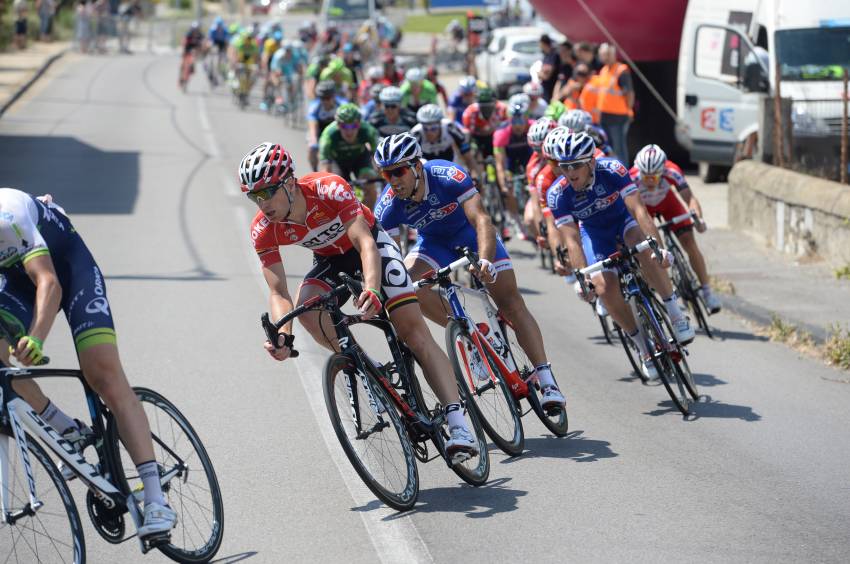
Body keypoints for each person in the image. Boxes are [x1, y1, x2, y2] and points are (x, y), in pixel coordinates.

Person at [240, 143, 479, 459]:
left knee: (413, 333)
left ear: (288, 182)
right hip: (331, 260)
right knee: (307, 309)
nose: (263, 203)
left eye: (267, 192)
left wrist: (372, 289)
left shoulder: (328, 188)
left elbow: (365, 242)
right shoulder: (263, 228)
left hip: (372, 249)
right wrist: (282, 334)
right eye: (254, 196)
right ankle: (367, 367)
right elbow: (279, 293)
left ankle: (458, 423)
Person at [0, 188, 177, 540]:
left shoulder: (8, 216)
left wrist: (36, 337)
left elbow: (49, 282)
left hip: (66, 266)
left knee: (103, 375)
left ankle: (155, 498)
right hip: (16, 280)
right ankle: (68, 429)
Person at [371, 134, 566, 411]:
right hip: (434, 245)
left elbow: (482, 219)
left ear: (416, 166)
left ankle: (546, 379)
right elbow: (389, 256)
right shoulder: (389, 203)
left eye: (399, 171)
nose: (393, 180)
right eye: (385, 173)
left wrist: (484, 261)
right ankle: (471, 336)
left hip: (472, 235)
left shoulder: (447, 174)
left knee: (510, 303)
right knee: (409, 288)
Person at [547, 132, 695, 380]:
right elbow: (571, 239)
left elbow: (639, 211)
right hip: (594, 234)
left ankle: (674, 311)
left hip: (623, 221)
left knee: (645, 248)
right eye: (564, 166)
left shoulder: (612, 169)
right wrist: (583, 278)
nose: (569, 172)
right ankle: (643, 347)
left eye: (576, 165)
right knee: (604, 286)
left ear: (591, 162)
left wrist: (659, 248)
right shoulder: (558, 194)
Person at [630, 144, 721, 314]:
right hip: (644, 210)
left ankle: (707, 291)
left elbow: (689, 198)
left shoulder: (672, 171)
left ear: (662, 172)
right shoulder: (630, 177)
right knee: (652, 252)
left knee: (690, 243)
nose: (649, 181)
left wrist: (698, 219)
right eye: (646, 177)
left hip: (668, 204)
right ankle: (661, 290)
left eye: (654, 177)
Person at [318, 103, 382, 209]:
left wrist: (380, 174)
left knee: (370, 185)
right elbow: (325, 168)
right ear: (338, 125)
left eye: (354, 125)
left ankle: (368, 218)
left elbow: (379, 157)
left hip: (360, 160)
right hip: (338, 162)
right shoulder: (329, 135)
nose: (349, 131)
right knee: (335, 189)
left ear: (360, 124)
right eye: (344, 126)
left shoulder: (368, 131)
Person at [493, 94, 534, 239]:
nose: (518, 124)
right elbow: (500, 163)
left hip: (528, 155)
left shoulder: (533, 127)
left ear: (527, 117)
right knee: (508, 189)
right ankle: (517, 220)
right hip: (510, 159)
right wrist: (504, 184)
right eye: (514, 119)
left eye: (521, 119)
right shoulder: (501, 133)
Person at [410, 104, 477, 176]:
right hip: (427, 163)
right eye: (425, 128)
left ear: (440, 123)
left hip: (450, 160)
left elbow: (468, 155)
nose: (429, 132)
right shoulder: (416, 134)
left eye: (433, 127)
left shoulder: (450, 127)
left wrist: (475, 176)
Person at [596, 43, 634, 163]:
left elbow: (629, 93)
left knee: (619, 148)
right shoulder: (603, 70)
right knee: (608, 147)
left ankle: (624, 175)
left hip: (618, 117)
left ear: (613, 55)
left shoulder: (621, 70)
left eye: (607, 54)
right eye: (602, 55)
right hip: (604, 116)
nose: (605, 57)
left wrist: (629, 110)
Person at [307, 80, 348, 172]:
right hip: (320, 129)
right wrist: (314, 140)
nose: (325, 101)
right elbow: (312, 125)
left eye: (328, 98)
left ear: (334, 96)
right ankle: (315, 170)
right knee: (312, 148)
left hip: (338, 129)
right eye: (322, 98)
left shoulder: (342, 105)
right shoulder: (315, 106)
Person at [537, 34, 561, 102]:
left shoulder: (554, 55)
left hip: (551, 87)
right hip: (545, 87)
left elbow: (547, 75)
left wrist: (539, 74)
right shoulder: (546, 55)